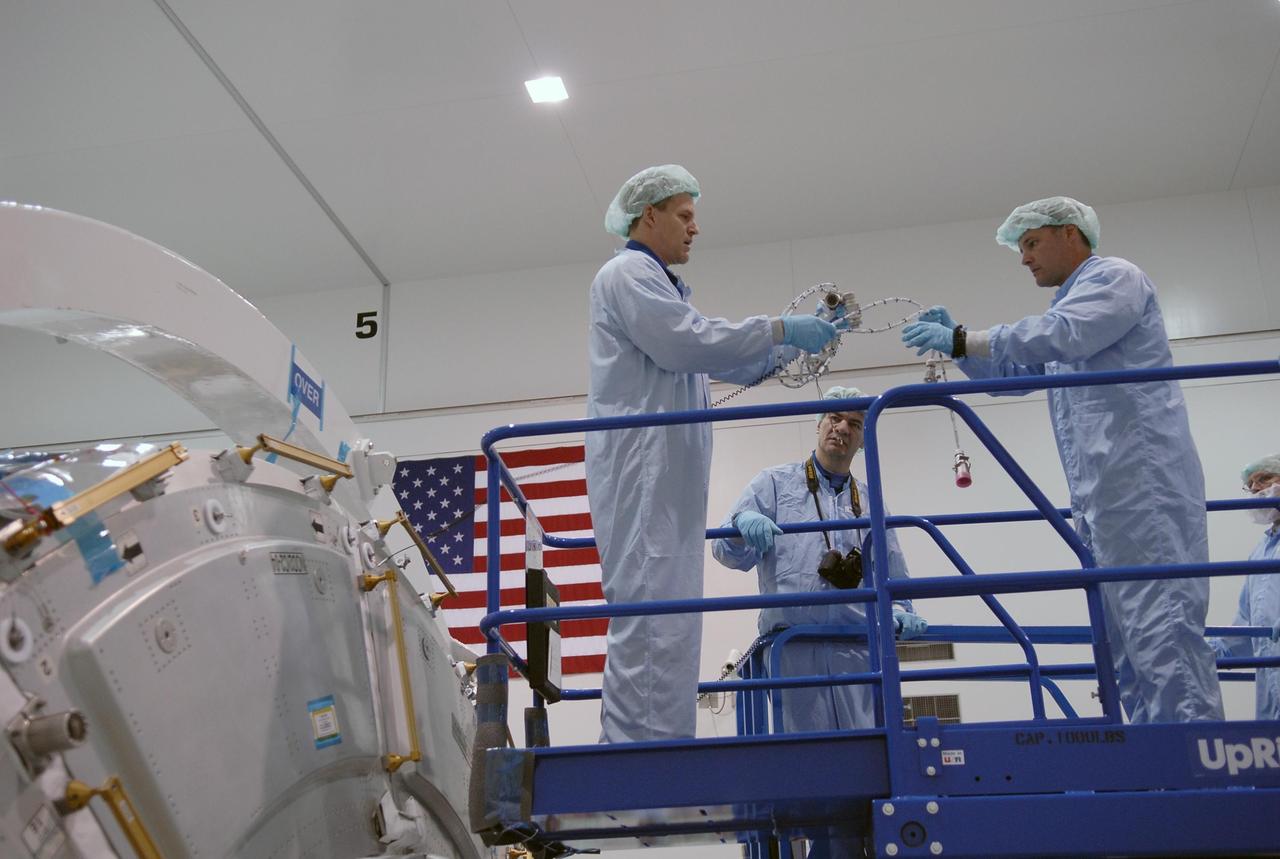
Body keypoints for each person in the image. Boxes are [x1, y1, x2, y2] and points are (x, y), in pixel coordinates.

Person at [900, 195, 1223, 723]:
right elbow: (1014, 378)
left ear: (1070, 233)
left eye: (1031, 243)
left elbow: (1066, 335)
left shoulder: (1114, 279)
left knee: (1161, 632)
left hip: (1145, 492)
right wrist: (962, 350)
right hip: (1104, 502)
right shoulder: (1065, 311)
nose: (1024, 258)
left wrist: (969, 337)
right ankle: (1155, 779)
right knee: (1126, 650)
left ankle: (1198, 781)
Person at [587, 165, 847, 743]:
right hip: (642, 468)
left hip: (667, 474)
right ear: (647, 215)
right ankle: (634, 755)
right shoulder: (628, 273)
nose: (694, 229)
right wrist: (780, 328)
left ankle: (663, 745)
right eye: (684, 215)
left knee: (672, 616)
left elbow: (717, 354)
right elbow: (687, 341)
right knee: (651, 611)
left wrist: (794, 345)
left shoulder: (661, 288)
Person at [712, 385, 926, 733]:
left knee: (865, 755)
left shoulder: (872, 503)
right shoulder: (774, 484)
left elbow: (895, 577)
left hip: (857, 651)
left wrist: (901, 614)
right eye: (835, 417)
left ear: (863, 440)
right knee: (807, 761)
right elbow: (725, 552)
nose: (842, 428)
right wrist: (739, 525)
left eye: (855, 424)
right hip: (792, 649)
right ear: (819, 423)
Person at [1210, 454, 1280, 720]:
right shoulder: (1261, 552)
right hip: (1271, 695)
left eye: (1265, 479)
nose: (1256, 489)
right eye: (1251, 485)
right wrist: (1201, 652)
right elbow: (1244, 631)